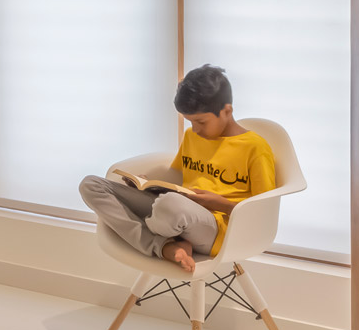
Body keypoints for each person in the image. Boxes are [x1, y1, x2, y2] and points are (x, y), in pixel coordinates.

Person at [78, 64, 278, 274]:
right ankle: (164, 246)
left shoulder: (255, 148)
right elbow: (176, 181)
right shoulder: (192, 136)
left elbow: (262, 212)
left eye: (201, 121)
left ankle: (160, 239)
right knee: (91, 185)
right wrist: (146, 184)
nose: (195, 129)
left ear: (226, 111)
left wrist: (220, 203)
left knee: (169, 205)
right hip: (176, 212)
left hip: (217, 227)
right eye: (190, 122)